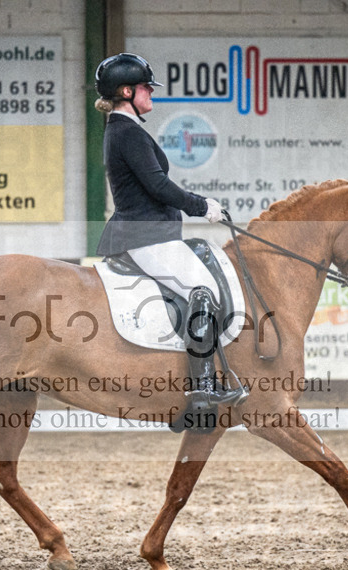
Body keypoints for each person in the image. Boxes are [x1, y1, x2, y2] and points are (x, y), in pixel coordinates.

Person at [93, 53, 246, 416]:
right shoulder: (126, 131)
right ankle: (203, 389)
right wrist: (201, 206)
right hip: (144, 236)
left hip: (148, 233)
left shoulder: (125, 129)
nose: (151, 93)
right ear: (127, 91)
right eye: (146, 87)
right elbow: (158, 186)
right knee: (202, 292)